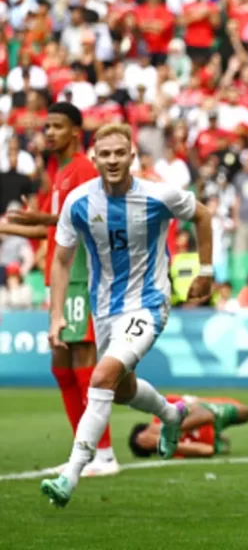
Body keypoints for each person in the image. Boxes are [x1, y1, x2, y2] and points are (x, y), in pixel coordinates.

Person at [40, 123, 215, 508]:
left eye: (120, 153)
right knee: (121, 390)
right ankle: (172, 415)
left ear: (132, 156)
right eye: (105, 154)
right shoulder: (79, 203)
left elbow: (202, 216)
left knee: (101, 376)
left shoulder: (157, 195)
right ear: (94, 158)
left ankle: (71, 473)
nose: (113, 160)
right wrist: (55, 315)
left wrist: (205, 271)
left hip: (149, 304)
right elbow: (61, 261)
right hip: (104, 310)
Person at [1, 102, 119, 477]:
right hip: (60, 279)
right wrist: (8, 227)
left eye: (57, 127)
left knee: (84, 360)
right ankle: (81, 452)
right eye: (47, 126)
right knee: (61, 366)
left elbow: (92, 217)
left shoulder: (84, 169)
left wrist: (44, 218)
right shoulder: (60, 172)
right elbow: (53, 228)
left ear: (75, 132)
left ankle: (104, 453)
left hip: (82, 276)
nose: (48, 132)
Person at [129, 395, 248, 458]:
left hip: (207, 412)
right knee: (223, 448)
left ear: (148, 427)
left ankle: (221, 436)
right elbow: (208, 450)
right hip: (210, 440)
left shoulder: (166, 407)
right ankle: (220, 438)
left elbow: (206, 416)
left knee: (245, 413)